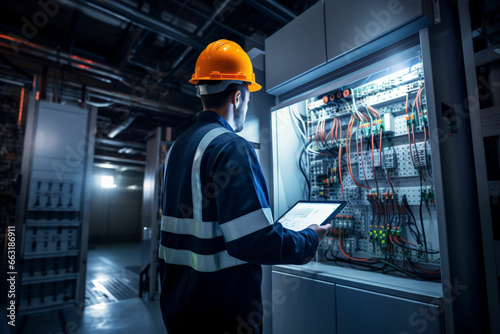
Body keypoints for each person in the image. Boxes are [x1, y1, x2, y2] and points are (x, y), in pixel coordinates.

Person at [158, 39, 329, 334]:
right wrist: (309, 239)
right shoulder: (231, 147)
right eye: (248, 99)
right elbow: (254, 241)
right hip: (224, 314)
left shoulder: (178, 147)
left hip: (179, 311)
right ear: (237, 97)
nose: (247, 106)